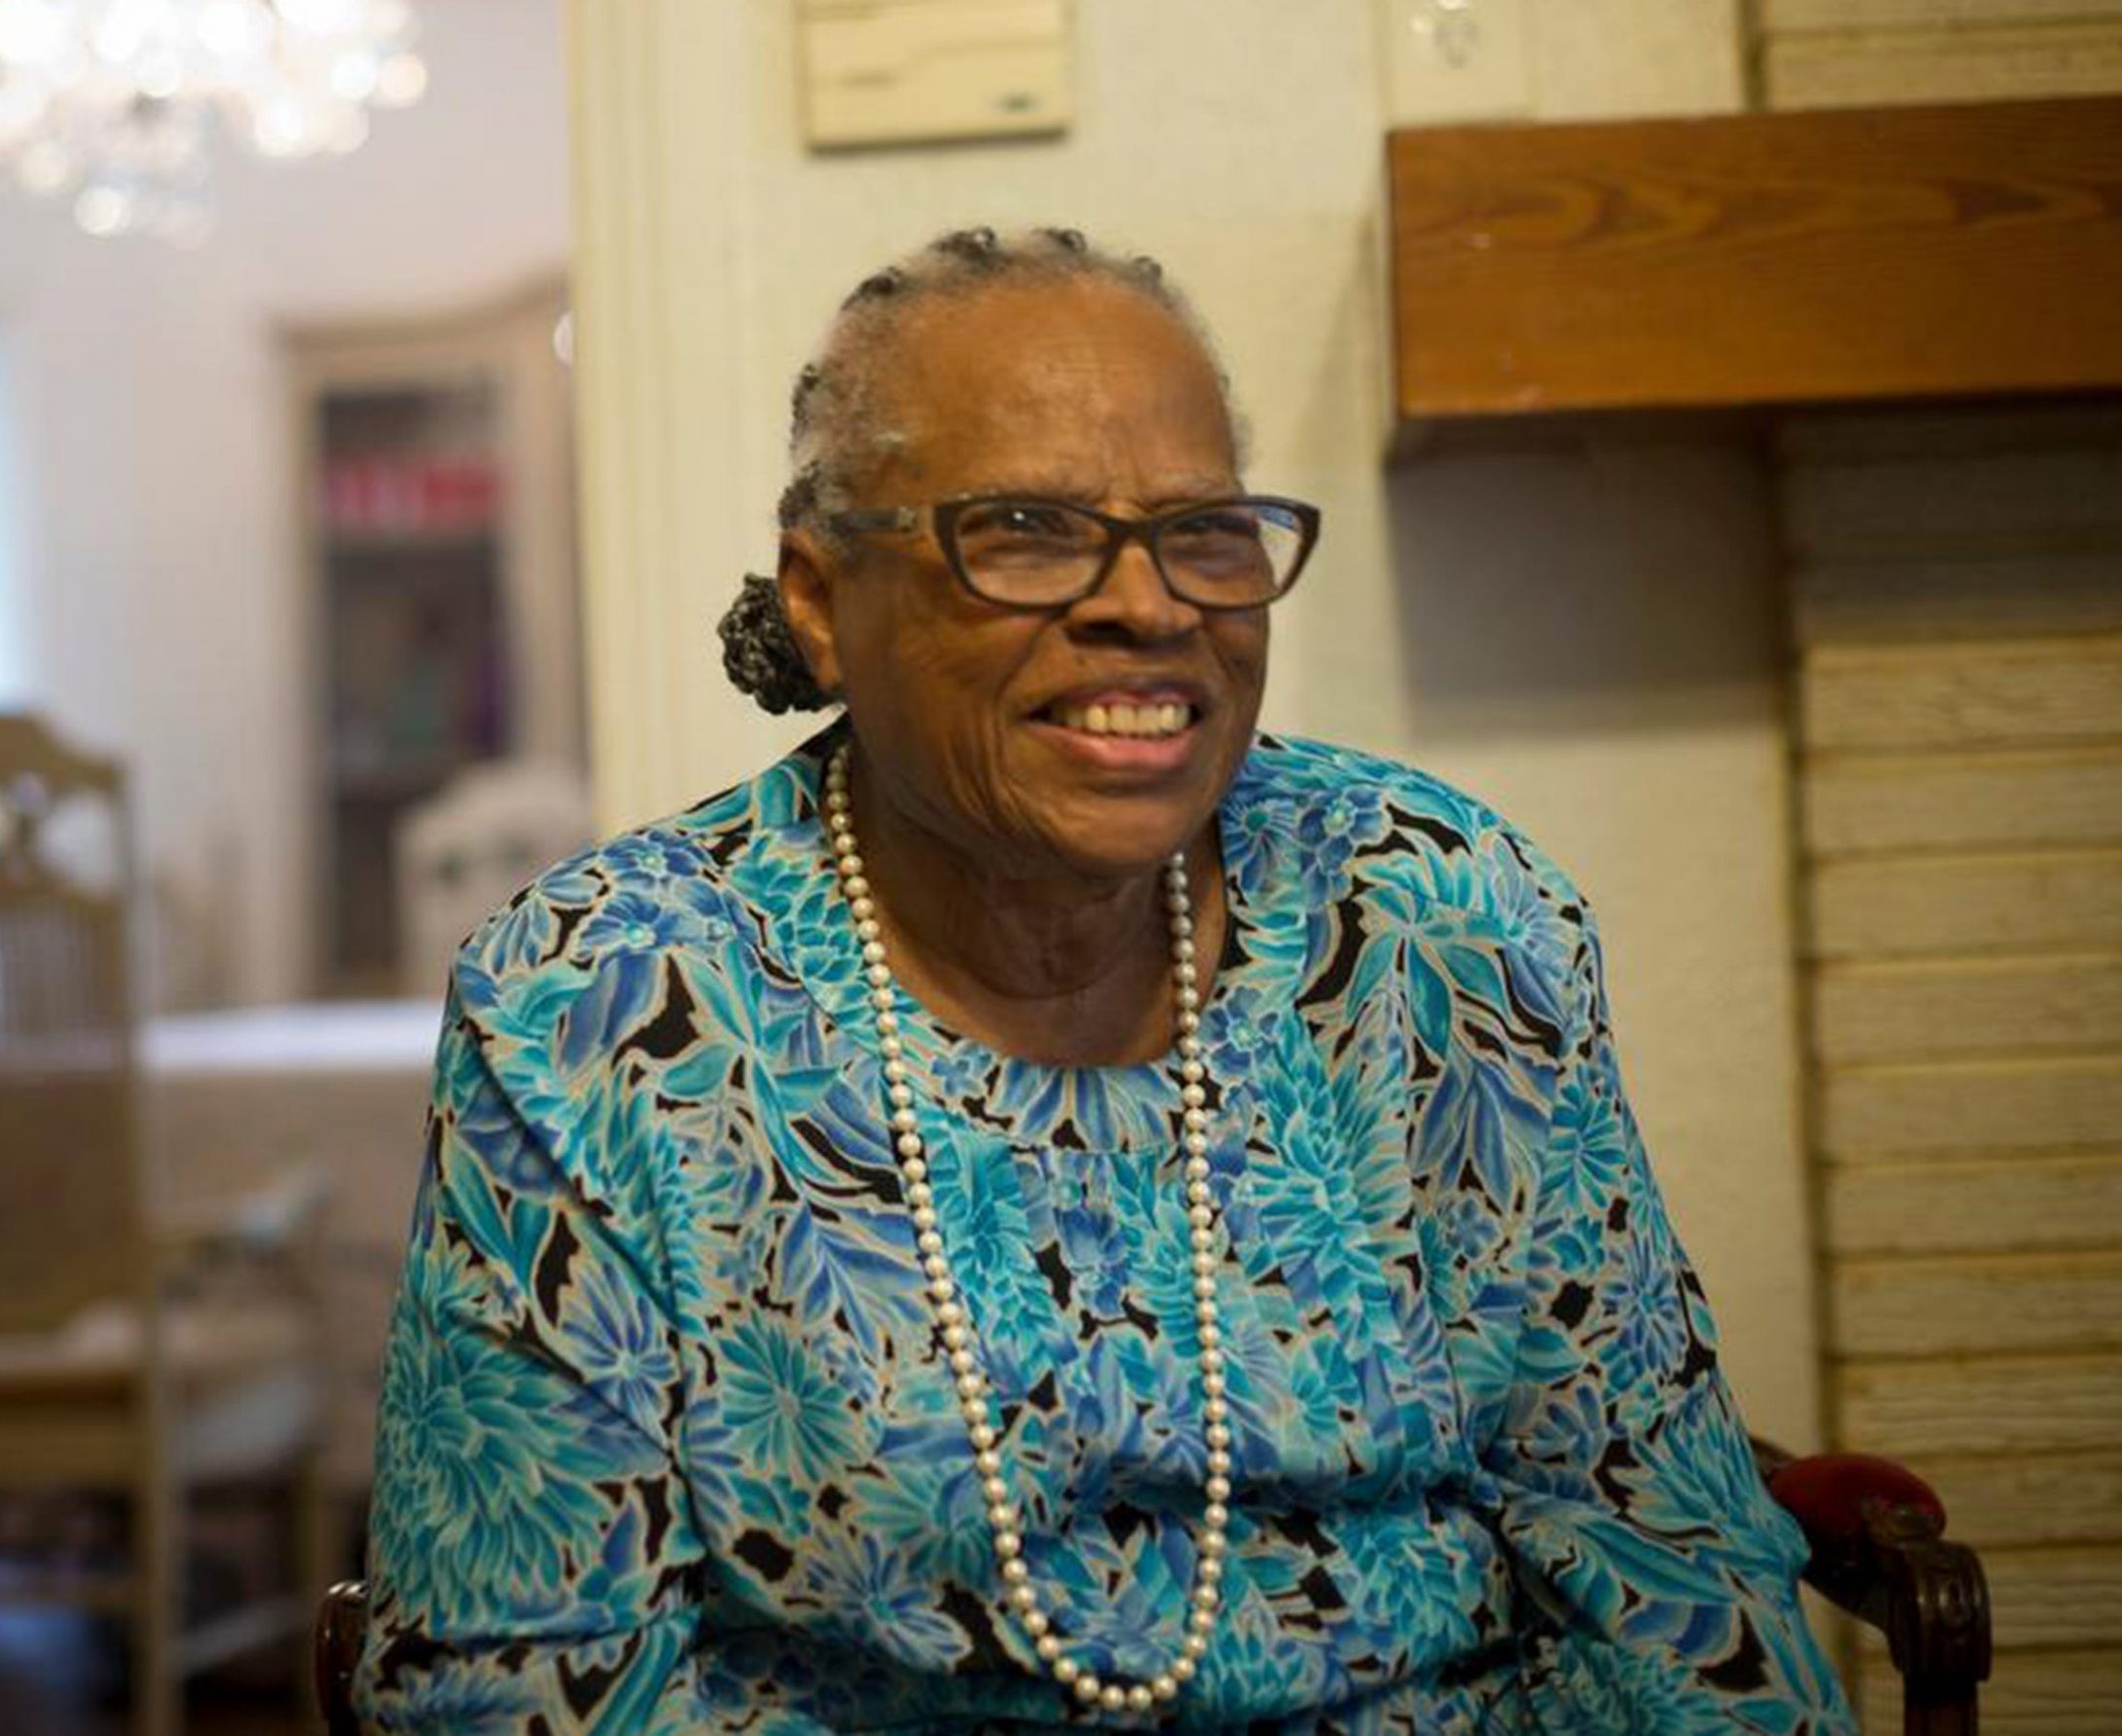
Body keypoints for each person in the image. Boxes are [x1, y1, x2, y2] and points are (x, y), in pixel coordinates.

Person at [356, 227, 1853, 1732]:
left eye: (1206, 532)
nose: (1149, 604)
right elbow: (513, 1687)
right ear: (820, 596)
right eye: (1024, 529)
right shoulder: (599, 1005)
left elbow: (1657, 1544)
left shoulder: (1435, 916)